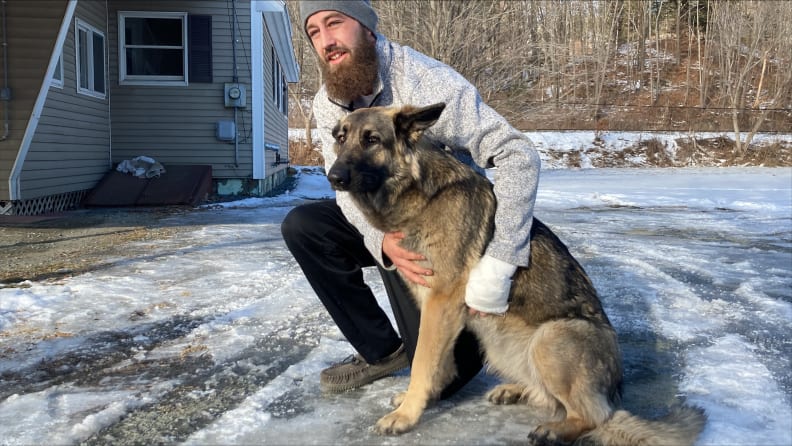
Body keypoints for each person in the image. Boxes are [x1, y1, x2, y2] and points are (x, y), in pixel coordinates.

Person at [281, 0, 540, 397]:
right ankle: (381, 351)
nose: (326, 41)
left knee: (444, 381)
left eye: (335, 23)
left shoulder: (426, 81)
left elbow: (516, 154)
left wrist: (502, 259)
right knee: (304, 226)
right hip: (392, 228)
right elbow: (345, 189)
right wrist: (379, 242)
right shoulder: (324, 102)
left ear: (367, 28)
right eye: (314, 32)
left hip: (448, 234)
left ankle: (454, 332)